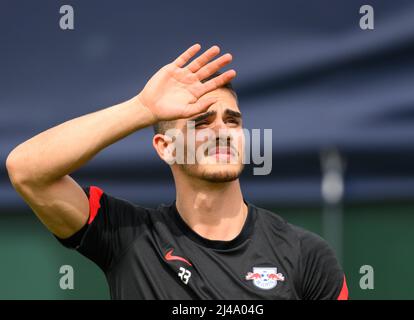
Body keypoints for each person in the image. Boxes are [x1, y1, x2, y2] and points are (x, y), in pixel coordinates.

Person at [6, 44, 348, 300]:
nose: (221, 130)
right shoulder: (129, 237)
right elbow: (26, 170)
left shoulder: (305, 254)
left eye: (232, 120)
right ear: (165, 147)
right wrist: (141, 108)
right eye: (201, 121)